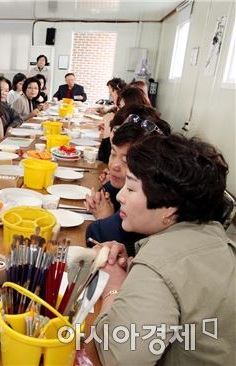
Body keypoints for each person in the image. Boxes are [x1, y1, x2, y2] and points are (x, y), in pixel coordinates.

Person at [93, 134, 235, 365]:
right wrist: (134, 271)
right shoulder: (215, 237)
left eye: (130, 188)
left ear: (169, 208)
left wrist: (114, 286)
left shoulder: (159, 264)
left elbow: (120, 357)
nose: (120, 196)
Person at [85, 109, 171, 256]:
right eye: (113, 154)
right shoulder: (118, 186)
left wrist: (105, 218)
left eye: (125, 161)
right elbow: (105, 193)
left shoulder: (151, 202)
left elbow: (96, 234)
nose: (114, 165)